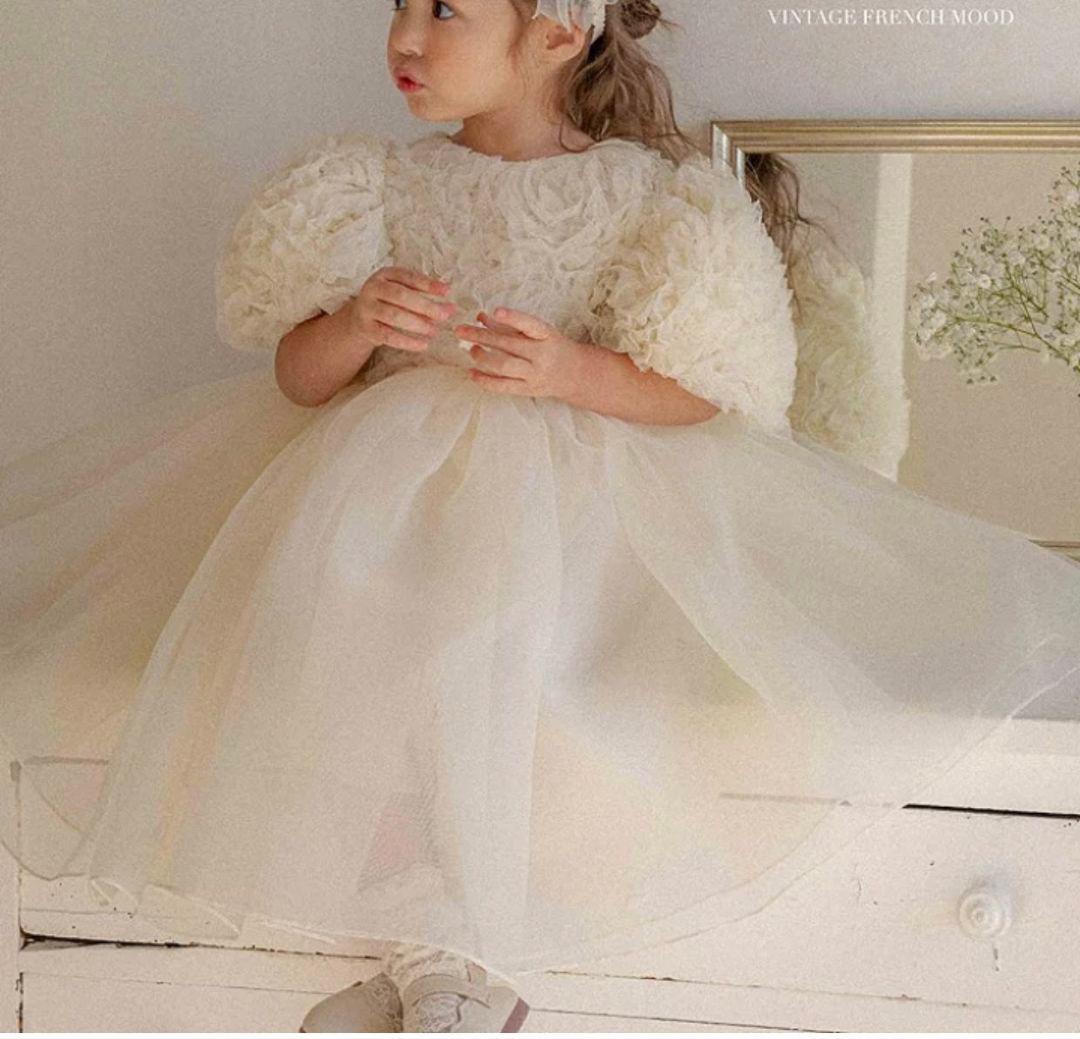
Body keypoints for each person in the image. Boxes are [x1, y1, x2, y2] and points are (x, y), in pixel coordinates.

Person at [3, 0, 1080, 1032]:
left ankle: (465, 961)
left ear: (558, 32)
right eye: (400, 5)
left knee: (504, 682)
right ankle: (413, 947)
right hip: (380, 493)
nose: (404, 35)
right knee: (361, 677)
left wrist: (571, 369)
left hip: (566, 503)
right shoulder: (376, 185)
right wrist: (355, 322)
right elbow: (298, 378)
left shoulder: (645, 198)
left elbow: (700, 391)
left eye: (444, 10)